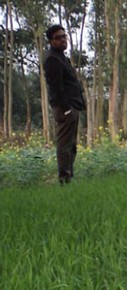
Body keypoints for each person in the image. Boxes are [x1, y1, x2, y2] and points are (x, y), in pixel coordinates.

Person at [43, 24, 85, 184]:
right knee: (64, 145)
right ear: (51, 41)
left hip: (73, 106)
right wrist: (67, 109)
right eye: (58, 38)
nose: (62, 40)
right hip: (65, 108)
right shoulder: (52, 59)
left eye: (64, 36)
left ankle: (69, 177)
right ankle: (64, 178)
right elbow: (56, 88)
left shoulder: (61, 57)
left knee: (71, 145)